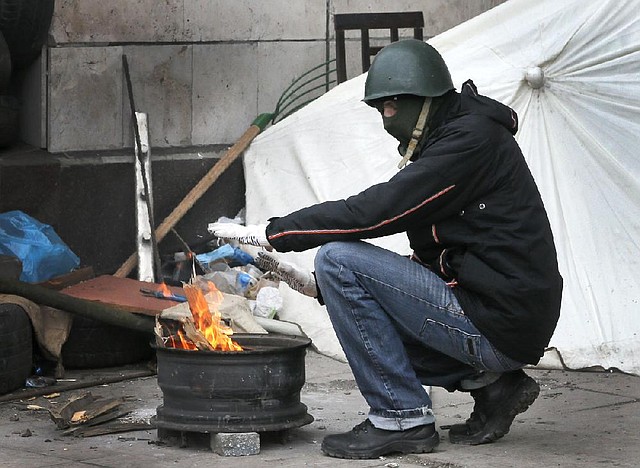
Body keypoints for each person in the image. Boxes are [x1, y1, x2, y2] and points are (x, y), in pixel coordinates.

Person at [209, 38, 563, 460]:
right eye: (379, 110)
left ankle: (402, 419)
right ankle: (494, 387)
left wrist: (275, 232)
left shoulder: (469, 142)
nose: (384, 120)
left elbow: (377, 212)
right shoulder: (461, 134)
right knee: (349, 294)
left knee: (339, 259)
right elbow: (450, 256)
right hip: (503, 314)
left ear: (421, 100)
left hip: (501, 322)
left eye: (390, 107)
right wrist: (318, 289)